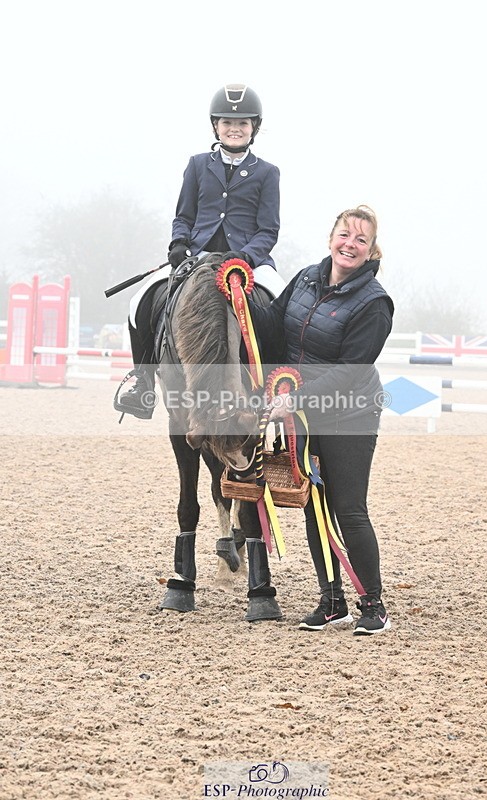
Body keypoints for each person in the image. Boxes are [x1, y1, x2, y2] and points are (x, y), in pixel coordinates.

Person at [248, 205, 394, 635]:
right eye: (344, 235)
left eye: (360, 240)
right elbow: (273, 325)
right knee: (314, 507)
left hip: (350, 414)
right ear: (331, 237)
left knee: (348, 510)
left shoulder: (375, 303)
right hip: (303, 411)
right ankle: (332, 601)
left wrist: (295, 400)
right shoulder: (308, 277)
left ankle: (373, 606)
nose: (350, 244)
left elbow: (351, 369)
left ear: (370, 251)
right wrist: (240, 299)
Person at [116, 83, 282, 419]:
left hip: (247, 261)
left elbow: (269, 229)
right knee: (139, 302)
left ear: (254, 128)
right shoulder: (197, 165)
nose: (235, 128)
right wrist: (178, 243)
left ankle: (274, 388)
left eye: (242, 123)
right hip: (197, 256)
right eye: (227, 123)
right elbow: (184, 216)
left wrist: (246, 257)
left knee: (282, 306)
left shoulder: (267, 172)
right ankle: (143, 381)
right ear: (215, 127)